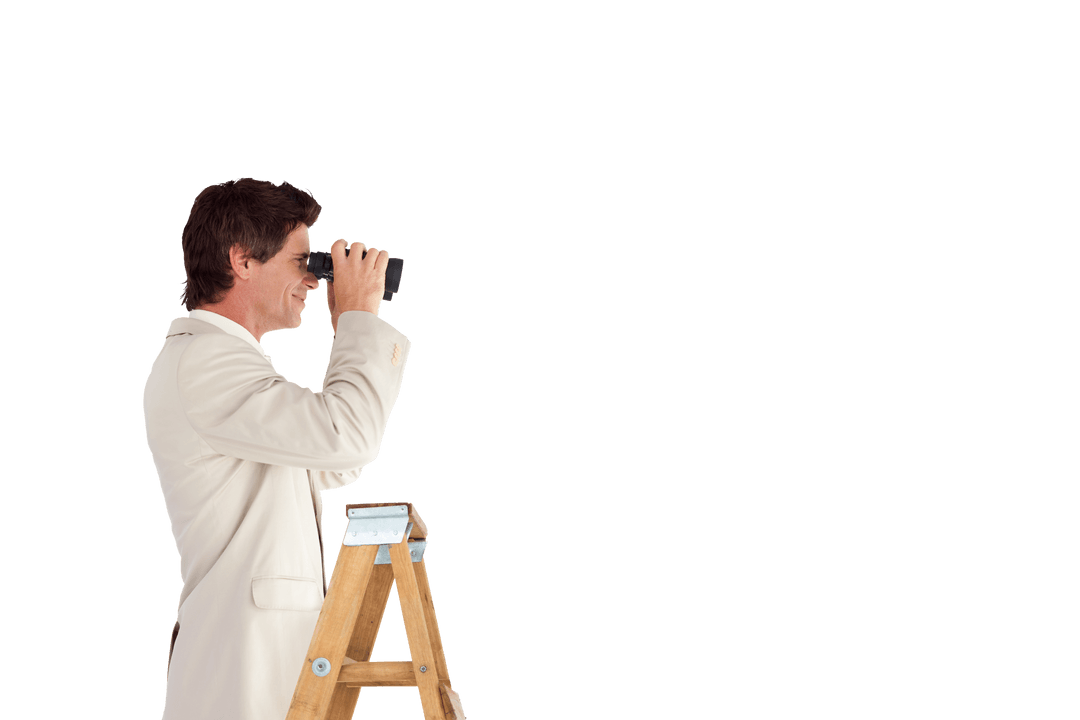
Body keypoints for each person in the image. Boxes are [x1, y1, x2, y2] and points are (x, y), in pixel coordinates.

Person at [142, 178, 411, 720]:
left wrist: (351, 325)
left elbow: (338, 459)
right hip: (241, 670)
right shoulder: (207, 361)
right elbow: (345, 435)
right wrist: (359, 320)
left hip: (261, 664)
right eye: (300, 262)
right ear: (242, 260)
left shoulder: (227, 365)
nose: (313, 281)